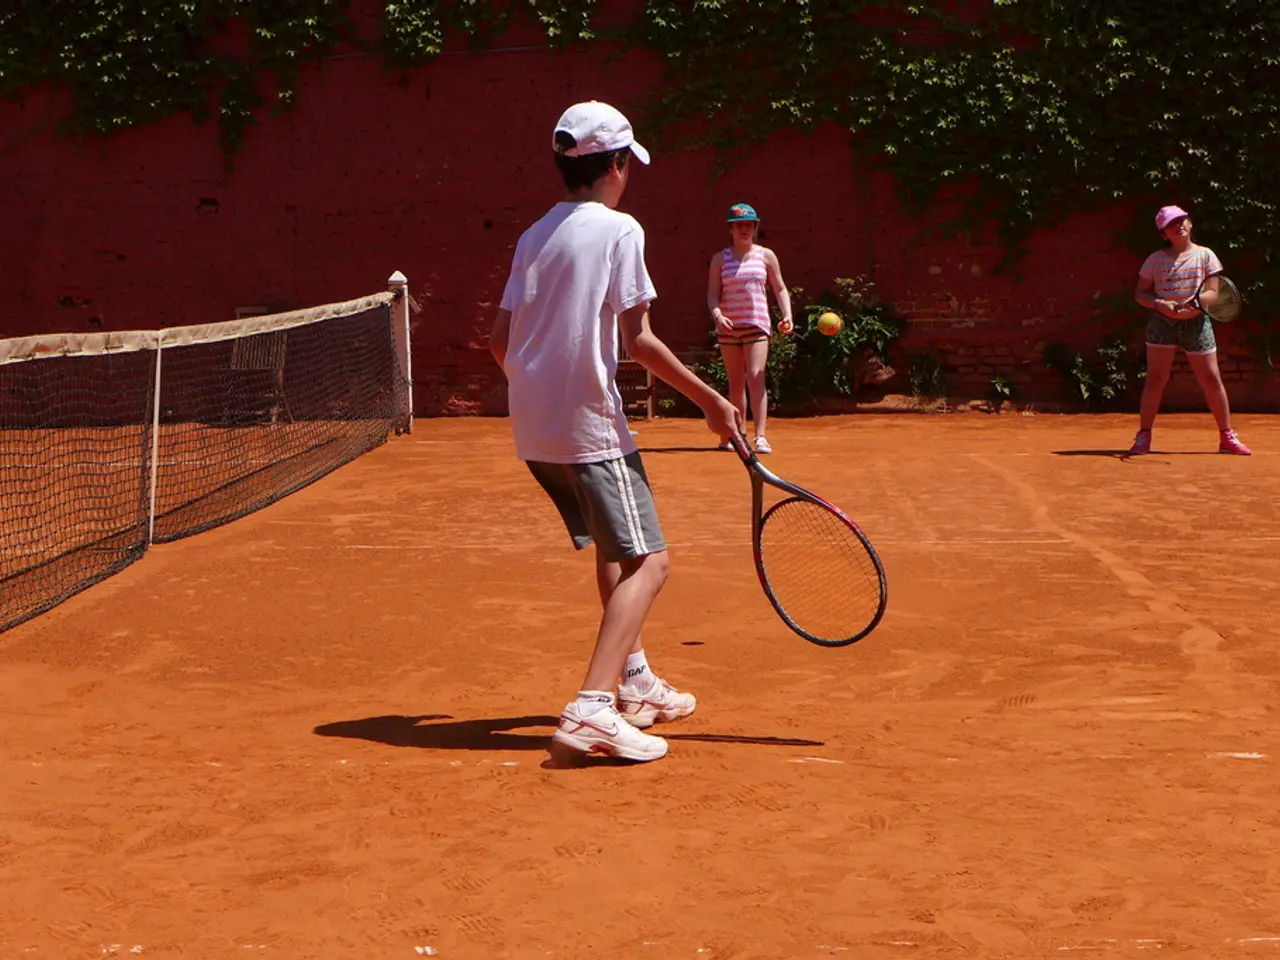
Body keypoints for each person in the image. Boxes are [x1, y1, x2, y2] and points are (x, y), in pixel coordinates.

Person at [489, 101, 743, 764]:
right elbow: (640, 341)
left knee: (613, 547)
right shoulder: (620, 230)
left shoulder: (532, 234)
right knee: (651, 562)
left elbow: (498, 341)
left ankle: (634, 683)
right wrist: (713, 400)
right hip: (586, 423)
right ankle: (592, 709)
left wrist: (542, 385)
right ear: (620, 164)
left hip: (532, 425)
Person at [1129, 205, 1251, 456]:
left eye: (1183, 220)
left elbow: (1213, 293)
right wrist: (1159, 304)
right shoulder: (1155, 260)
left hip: (1197, 324)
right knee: (1156, 380)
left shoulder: (1206, 256)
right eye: (1172, 224)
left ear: (1191, 224)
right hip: (1162, 324)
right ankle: (1144, 436)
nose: (1180, 225)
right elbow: (1140, 293)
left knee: (1211, 379)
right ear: (1164, 234)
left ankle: (1227, 437)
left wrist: (1195, 305)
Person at [707, 203, 793, 454]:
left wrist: (787, 314)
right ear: (731, 229)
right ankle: (738, 434)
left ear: (755, 228)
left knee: (756, 375)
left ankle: (761, 436)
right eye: (739, 225)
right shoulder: (719, 259)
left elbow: (780, 288)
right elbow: (713, 295)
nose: (744, 229)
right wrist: (718, 315)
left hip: (757, 325)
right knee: (735, 382)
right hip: (729, 328)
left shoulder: (766, 256)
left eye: (749, 225)